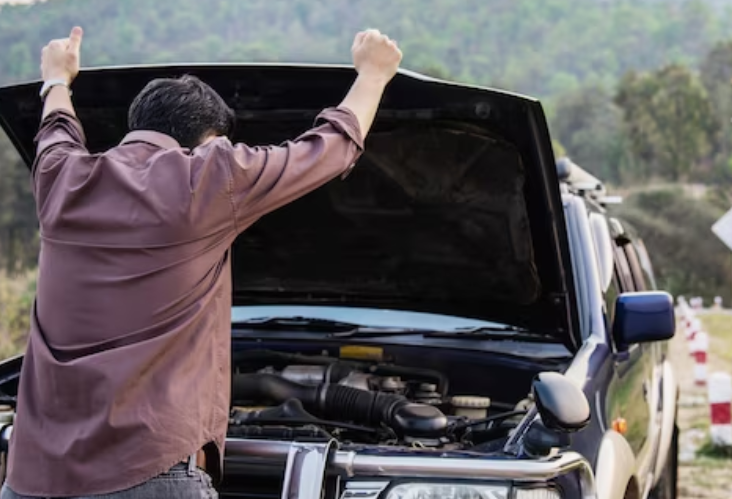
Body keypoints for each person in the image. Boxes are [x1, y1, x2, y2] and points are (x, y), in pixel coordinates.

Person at [1, 26, 402, 499]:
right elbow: (329, 149)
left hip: (32, 480)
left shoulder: (59, 176)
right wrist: (374, 74)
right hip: (147, 474)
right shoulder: (209, 178)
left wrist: (57, 79)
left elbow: (56, 128)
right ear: (208, 140)